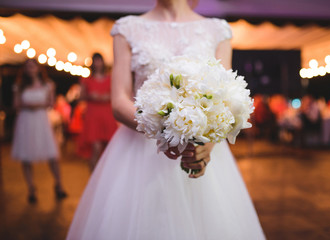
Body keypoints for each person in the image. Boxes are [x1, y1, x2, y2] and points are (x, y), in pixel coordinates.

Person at [67, 0, 265, 239]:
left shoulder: (218, 30)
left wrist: (206, 144)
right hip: (141, 149)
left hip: (201, 148)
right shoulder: (127, 28)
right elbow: (119, 101)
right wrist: (168, 131)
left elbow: (225, 97)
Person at [11, 59, 67, 203]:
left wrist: (37, 105)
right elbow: (16, 104)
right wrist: (29, 105)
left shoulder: (47, 85)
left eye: (33, 66)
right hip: (26, 121)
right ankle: (31, 188)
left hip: (41, 121)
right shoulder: (20, 86)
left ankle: (59, 184)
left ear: (38, 68)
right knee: (26, 155)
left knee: (52, 154)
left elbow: (51, 102)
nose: (30, 69)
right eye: (28, 67)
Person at [77, 53, 118, 171]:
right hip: (93, 115)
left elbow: (116, 95)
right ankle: (94, 177)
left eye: (99, 61)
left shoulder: (110, 78)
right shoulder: (86, 80)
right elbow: (81, 97)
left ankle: (105, 175)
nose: (97, 63)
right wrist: (90, 96)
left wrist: (107, 97)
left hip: (107, 114)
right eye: (95, 61)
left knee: (108, 148)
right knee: (95, 147)